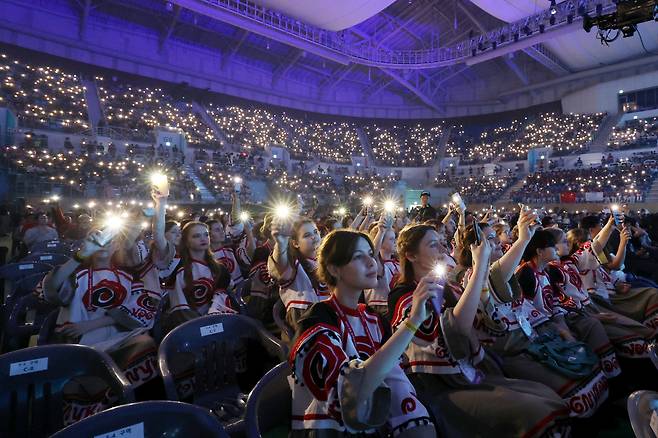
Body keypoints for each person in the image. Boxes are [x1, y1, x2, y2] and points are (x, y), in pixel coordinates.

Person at [389, 224, 569, 436]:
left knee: (545, 395)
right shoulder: (404, 296)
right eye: (432, 245)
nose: (442, 249)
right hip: (441, 384)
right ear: (411, 255)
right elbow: (458, 329)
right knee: (534, 410)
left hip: (471, 371)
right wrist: (481, 263)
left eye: (441, 243)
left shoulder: (446, 285)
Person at [289, 229, 435, 437]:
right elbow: (351, 392)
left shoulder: (373, 318)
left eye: (370, 253)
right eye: (358, 257)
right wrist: (412, 322)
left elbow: (393, 377)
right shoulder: (318, 320)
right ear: (334, 269)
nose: (371, 262)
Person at [163, 221, 234, 334]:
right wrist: (202, 327)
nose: (203, 239)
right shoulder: (179, 271)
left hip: (220, 322)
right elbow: (180, 309)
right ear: (186, 242)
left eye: (206, 234)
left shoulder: (220, 269)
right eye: (196, 236)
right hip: (190, 328)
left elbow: (222, 300)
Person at [268, 217, 329, 332]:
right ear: (295, 243)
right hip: (307, 324)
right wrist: (281, 244)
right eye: (306, 235)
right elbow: (280, 267)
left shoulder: (325, 260)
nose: (314, 237)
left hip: (330, 318)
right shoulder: (294, 264)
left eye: (315, 232)